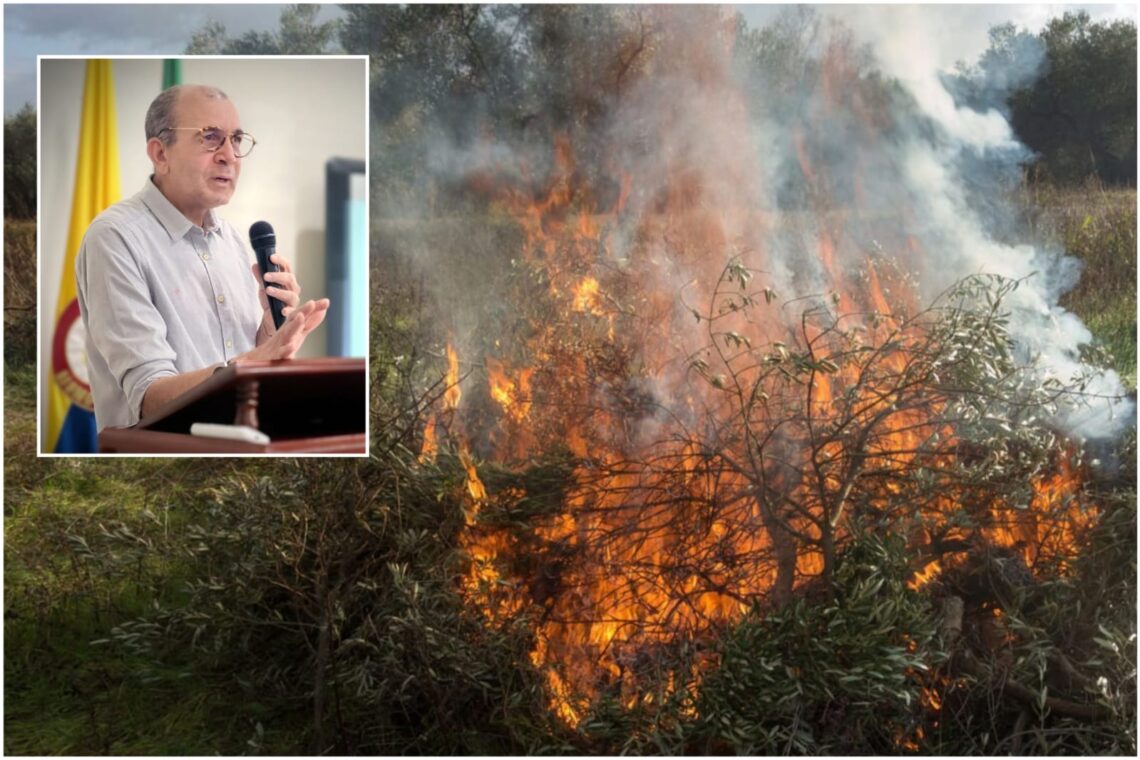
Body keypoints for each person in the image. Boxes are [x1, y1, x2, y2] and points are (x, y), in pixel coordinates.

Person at [76, 84, 329, 432]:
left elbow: (241, 369)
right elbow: (149, 397)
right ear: (160, 153)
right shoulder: (116, 238)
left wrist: (270, 338)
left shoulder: (235, 242)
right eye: (211, 138)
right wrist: (254, 361)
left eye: (236, 139)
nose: (229, 155)